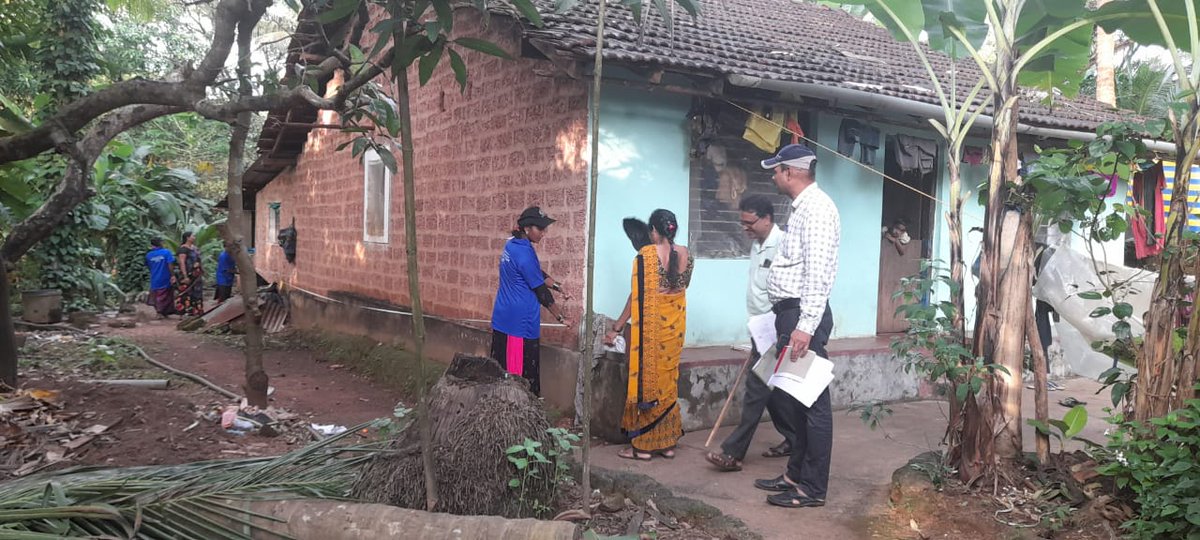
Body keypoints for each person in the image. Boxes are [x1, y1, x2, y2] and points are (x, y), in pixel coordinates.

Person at [754, 143, 840, 509]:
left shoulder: (818, 210)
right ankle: (794, 475)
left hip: (805, 316)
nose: (773, 175)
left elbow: (819, 275)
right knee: (796, 400)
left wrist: (805, 326)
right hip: (793, 315)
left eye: (776, 170)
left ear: (791, 172)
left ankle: (812, 488)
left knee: (814, 404)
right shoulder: (802, 208)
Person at [705, 195, 794, 472]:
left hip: (777, 329)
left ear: (767, 219)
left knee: (757, 388)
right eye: (742, 222)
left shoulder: (784, 245)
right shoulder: (757, 245)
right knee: (774, 391)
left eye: (749, 222)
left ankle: (733, 452)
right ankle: (795, 438)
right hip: (760, 329)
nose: (745, 228)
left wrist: (778, 331)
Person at [603, 209, 694, 461]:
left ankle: (642, 446)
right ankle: (667, 444)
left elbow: (637, 296)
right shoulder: (687, 254)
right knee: (668, 383)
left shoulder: (646, 256)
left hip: (653, 333)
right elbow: (681, 288)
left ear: (653, 231)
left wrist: (617, 327)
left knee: (649, 385)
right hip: (675, 329)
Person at [490, 206, 573, 396]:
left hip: (504, 318)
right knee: (518, 381)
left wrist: (559, 287)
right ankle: (516, 421)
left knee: (503, 372)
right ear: (527, 228)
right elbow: (540, 291)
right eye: (540, 229)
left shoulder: (513, 245)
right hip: (518, 326)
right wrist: (562, 318)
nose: (544, 233)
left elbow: (536, 273)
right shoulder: (524, 253)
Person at [174, 231, 205, 316]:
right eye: (193, 236)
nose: (194, 237)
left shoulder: (194, 248)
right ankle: (186, 311)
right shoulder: (183, 249)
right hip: (188, 274)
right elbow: (182, 262)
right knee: (187, 293)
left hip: (196, 276)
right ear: (187, 238)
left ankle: (197, 311)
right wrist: (185, 276)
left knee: (197, 292)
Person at [145, 237, 176, 318]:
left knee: (156, 295)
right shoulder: (166, 252)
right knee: (165, 295)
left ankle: (160, 312)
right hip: (165, 277)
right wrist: (173, 275)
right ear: (160, 243)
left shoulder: (149, 255)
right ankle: (161, 312)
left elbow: (149, 266)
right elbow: (170, 264)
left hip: (154, 278)